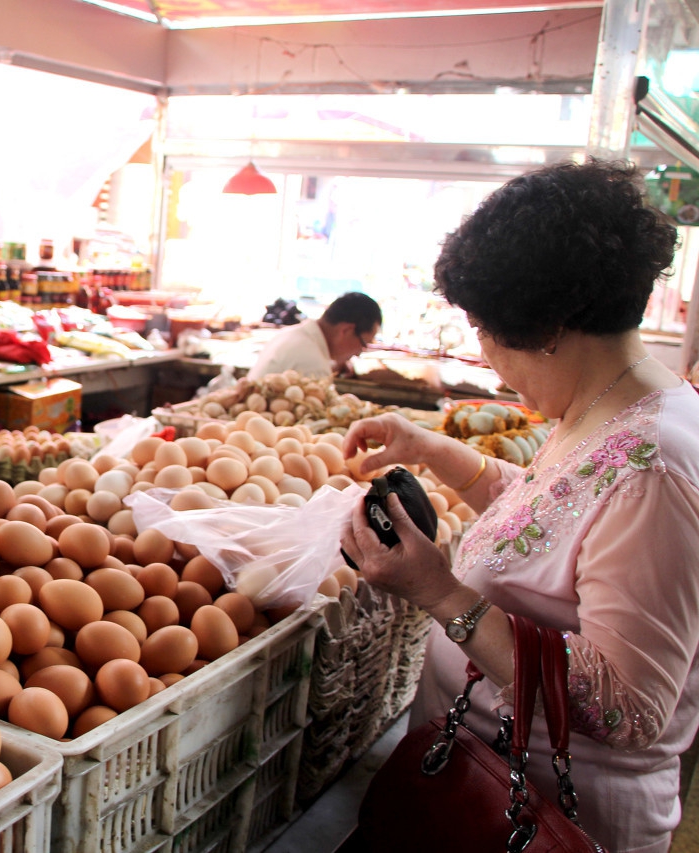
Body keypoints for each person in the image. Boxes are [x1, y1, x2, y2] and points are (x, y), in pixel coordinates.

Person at [340, 159, 699, 852]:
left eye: (482, 329)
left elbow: (628, 706)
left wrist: (441, 592)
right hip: (486, 783)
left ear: (548, 325)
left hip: (554, 820)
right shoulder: (610, 408)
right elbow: (549, 516)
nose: (485, 353)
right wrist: (432, 448)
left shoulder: (657, 469)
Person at [247, 291, 381, 380]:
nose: (358, 353)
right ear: (346, 330)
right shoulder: (314, 365)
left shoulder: (293, 334)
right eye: (363, 343)